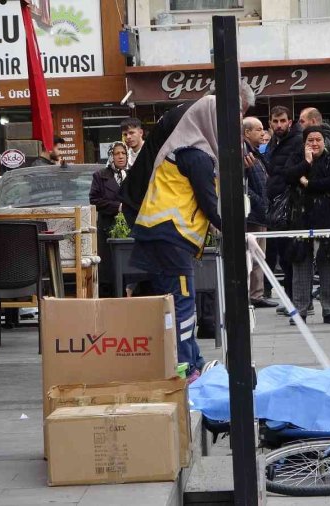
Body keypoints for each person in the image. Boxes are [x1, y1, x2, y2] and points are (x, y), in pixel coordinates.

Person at [130, 86, 254, 384]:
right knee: (183, 302)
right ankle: (185, 366)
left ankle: (191, 359)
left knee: (172, 303)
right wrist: (238, 233)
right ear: (210, 119)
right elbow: (210, 204)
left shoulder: (183, 150)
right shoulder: (196, 156)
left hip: (158, 236)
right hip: (171, 237)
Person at [283, 126, 330, 325]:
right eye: (310, 140)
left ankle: (329, 309)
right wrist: (306, 163)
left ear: (324, 142)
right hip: (300, 218)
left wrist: (307, 183)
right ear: (304, 143)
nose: (314, 144)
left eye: (318, 140)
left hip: (327, 219)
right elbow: (288, 177)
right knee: (300, 265)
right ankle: (300, 310)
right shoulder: (296, 158)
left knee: (328, 265)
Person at [264, 106, 301, 312]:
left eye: (282, 121)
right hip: (276, 204)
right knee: (282, 256)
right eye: (275, 121)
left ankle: (298, 301)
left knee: (291, 256)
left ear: (290, 121)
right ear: (270, 123)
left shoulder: (296, 141)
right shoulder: (272, 143)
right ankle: (290, 300)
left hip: (290, 206)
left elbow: (288, 171)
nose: (279, 125)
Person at [242, 116, 277, 309]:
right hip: (253, 214)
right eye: (258, 129)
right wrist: (260, 203)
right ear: (247, 132)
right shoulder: (244, 153)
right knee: (254, 256)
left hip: (259, 212)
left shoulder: (256, 153)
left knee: (258, 256)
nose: (263, 132)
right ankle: (254, 294)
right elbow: (243, 186)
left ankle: (257, 293)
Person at [89, 141, 129, 298]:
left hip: (129, 229)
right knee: (109, 272)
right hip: (107, 229)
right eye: (117, 153)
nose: (120, 157)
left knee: (128, 271)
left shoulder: (132, 174)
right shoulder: (100, 176)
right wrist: (117, 207)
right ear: (111, 156)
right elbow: (94, 200)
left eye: (123, 153)